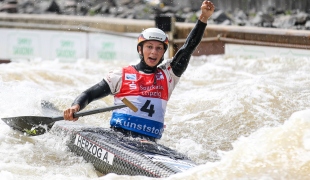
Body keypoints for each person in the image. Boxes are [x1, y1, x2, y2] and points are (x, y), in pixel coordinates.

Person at [64, 0, 215, 142]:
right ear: (140, 49)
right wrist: (75, 106)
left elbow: (188, 48)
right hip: (118, 140)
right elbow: (89, 94)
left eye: (158, 48)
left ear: (163, 53)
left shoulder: (169, 75)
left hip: (149, 144)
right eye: (149, 47)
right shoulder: (120, 76)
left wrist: (203, 18)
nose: (154, 52)